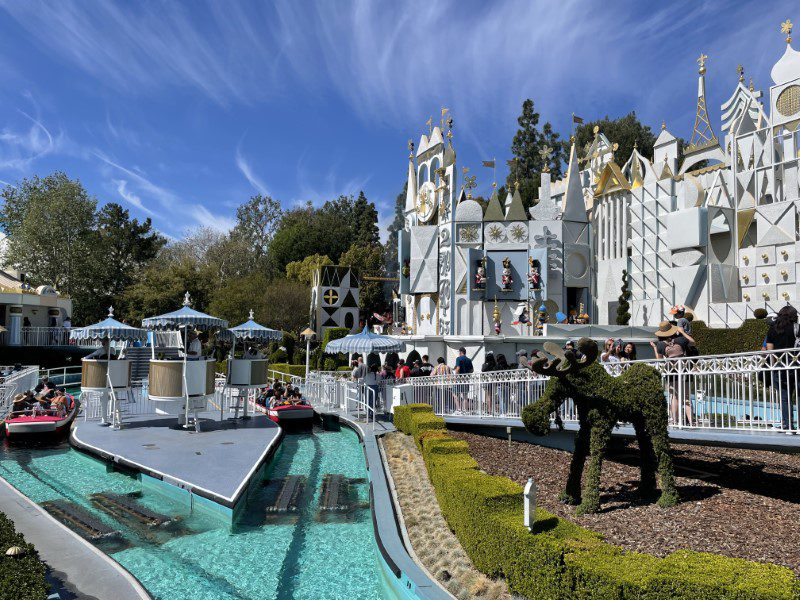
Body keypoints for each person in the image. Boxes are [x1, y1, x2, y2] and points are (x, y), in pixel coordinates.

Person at [651, 321, 692, 425]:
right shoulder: (681, 340)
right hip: (684, 369)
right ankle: (691, 422)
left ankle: (675, 421)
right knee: (686, 396)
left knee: (674, 396)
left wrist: (655, 348)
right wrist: (682, 332)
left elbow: (659, 360)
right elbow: (693, 342)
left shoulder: (660, 344)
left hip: (670, 370)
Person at [765, 305, 798, 433]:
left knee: (785, 397)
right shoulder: (797, 328)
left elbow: (770, 350)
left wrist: (773, 366)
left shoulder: (773, 329)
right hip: (796, 365)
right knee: (798, 395)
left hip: (780, 367)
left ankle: (787, 425)